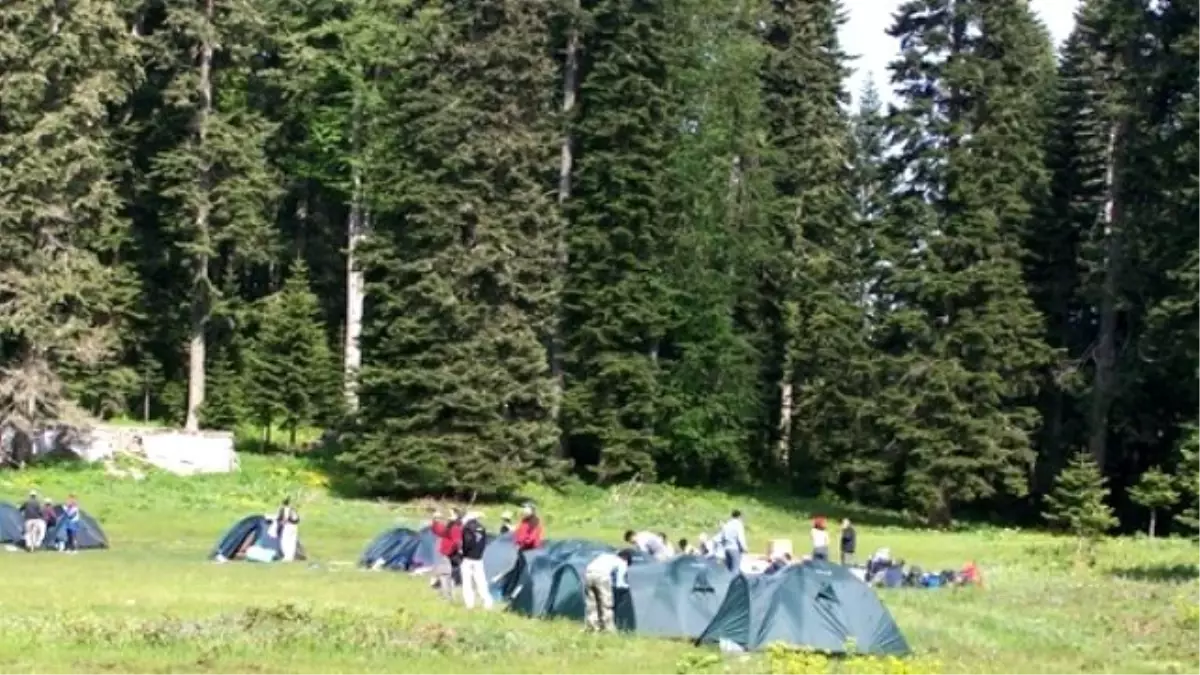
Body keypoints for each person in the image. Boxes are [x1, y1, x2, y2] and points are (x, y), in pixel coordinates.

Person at [584, 549, 633, 632]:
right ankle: (608, 628)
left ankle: (592, 627)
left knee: (592, 603)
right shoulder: (622, 561)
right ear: (626, 558)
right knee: (606, 604)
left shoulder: (605, 556)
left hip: (588, 574)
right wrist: (627, 587)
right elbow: (620, 582)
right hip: (602, 576)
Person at [459, 512, 492, 610]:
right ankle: (487, 602)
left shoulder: (467, 529)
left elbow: (467, 543)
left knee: (467, 583)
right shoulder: (482, 528)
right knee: (481, 581)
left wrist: (463, 552)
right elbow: (484, 543)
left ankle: (469, 604)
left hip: (468, 559)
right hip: (478, 559)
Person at [431, 509, 464, 601]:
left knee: (445, 574)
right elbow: (439, 531)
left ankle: (447, 597)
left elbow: (457, 541)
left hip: (450, 554)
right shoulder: (450, 526)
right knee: (444, 574)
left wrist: (449, 551)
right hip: (447, 553)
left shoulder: (455, 527)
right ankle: (446, 594)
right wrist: (435, 520)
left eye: (451, 514)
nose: (448, 516)